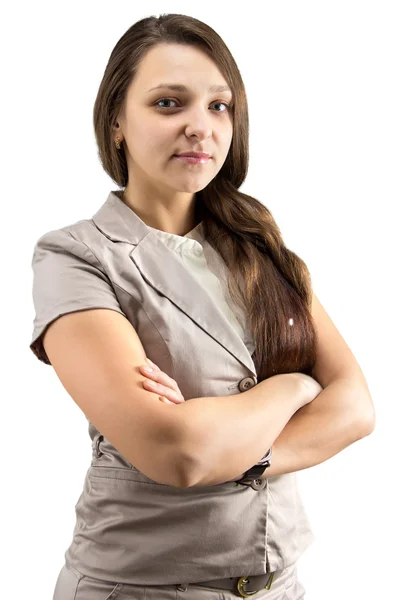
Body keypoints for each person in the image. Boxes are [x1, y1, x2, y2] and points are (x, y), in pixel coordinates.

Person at [29, 13, 374, 600]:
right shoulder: (75, 257)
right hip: (144, 587)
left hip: (280, 585)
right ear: (116, 121)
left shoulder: (258, 243)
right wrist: (292, 386)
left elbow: (356, 408)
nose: (200, 127)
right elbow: (177, 451)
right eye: (169, 103)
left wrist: (244, 453)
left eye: (219, 106)